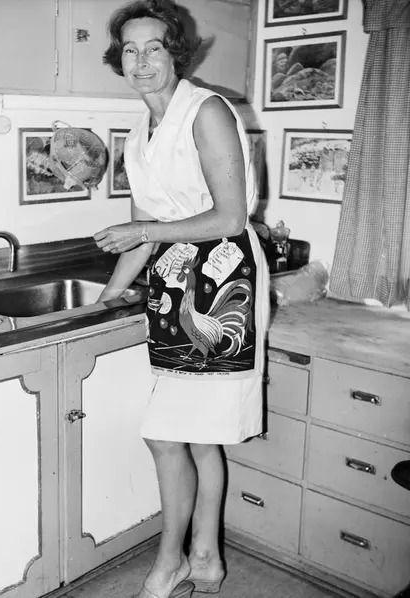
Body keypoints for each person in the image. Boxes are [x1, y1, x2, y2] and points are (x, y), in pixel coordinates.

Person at [93, 1, 269, 597]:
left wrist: (143, 230)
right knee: (199, 434)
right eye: (130, 50)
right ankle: (207, 559)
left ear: (176, 54)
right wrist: (104, 298)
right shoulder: (138, 136)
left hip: (221, 283)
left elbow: (229, 216)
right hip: (173, 286)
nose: (142, 61)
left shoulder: (206, 110)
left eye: (155, 48)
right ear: (118, 59)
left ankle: (169, 563)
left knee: (166, 434)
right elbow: (143, 234)